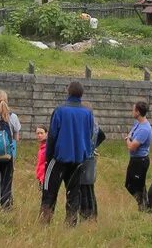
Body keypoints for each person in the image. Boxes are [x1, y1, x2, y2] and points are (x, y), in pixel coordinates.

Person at [40, 80, 96, 226]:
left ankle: (45, 222)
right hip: (78, 160)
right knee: (73, 193)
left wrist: (48, 158)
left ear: (68, 92)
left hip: (59, 159)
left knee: (49, 192)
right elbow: (90, 134)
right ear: (82, 94)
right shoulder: (88, 113)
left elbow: (52, 136)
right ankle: (71, 223)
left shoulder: (60, 111)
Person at [0, 89, 21, 210]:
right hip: (9, 155)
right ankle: (7, 206)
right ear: (7, 100)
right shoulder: (13, 117)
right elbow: (16, 138)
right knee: (7, 181)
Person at [124, 100, 152, 210]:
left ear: (138, 112)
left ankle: (144, 206)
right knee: (130, 184)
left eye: (133, 110)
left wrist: (128, 140)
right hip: (134, 159)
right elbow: (131, 133)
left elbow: (132, 146)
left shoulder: (144, 129)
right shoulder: (138, 123)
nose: (132, 112)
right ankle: (144, 205)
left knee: (136, 186)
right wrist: (130, 138)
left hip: (140, 161)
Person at [77, 121, 107, 221]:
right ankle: (92, 215)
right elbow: (102, 135)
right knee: (89, 189)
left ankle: (86, 216)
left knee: (83, 189)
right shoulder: (94, 125)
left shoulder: (84, 124)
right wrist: (93, 147)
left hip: (83, 159)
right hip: (91, 160)